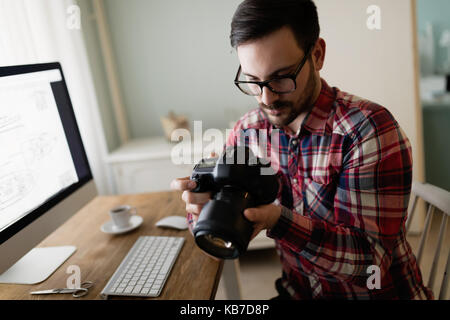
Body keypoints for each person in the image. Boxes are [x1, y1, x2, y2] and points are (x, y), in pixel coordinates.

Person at [171, 0, 433, 300]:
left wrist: (277, 221)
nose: (266, 98)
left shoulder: (368, 130)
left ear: (317, 54)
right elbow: (213, 226)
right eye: (253, 81)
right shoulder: (248, 133)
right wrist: (204, 209)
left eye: (281, 77)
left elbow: (370, 264)